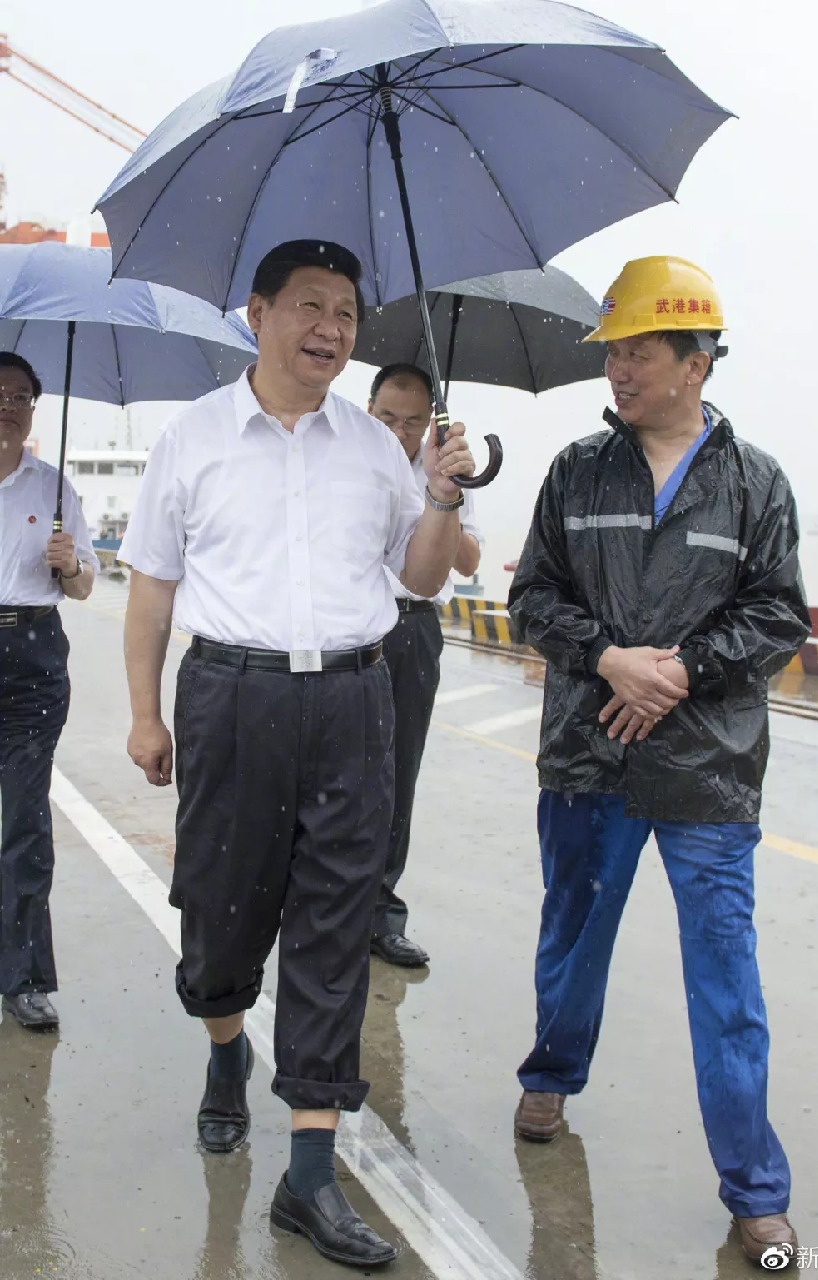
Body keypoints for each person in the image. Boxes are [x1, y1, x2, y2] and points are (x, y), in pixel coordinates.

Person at [120, 240, 475, 1269]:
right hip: (231, 697)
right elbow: (150, 590)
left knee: (335, 921)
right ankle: (225, 1051)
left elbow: (419, 579)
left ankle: (309, 1171)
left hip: (355, 698)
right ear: (258, 312)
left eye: (347, 313)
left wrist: (440, 495)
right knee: (219, 913)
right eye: (311, 306)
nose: (332, 328)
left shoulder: (372, 446)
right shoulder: (192, 438)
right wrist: (145, 715)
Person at [508, 258, 810, 1267]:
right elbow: (531, 598)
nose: (619, 370)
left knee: (725, 979)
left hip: (705, 771)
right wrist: (608, 660)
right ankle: (549, 1073)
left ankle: (754, 1187)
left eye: (638, 352)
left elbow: (777, 613)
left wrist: (677, 670)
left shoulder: (755, 482)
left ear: (695, 362)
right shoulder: (575, 472)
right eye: (613, 353)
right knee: (571, 938)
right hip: (586, 756)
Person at [367, 363, 484, 967]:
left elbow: (469, 562)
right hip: (353, 629)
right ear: (368, 409)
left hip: (413, 629)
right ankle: (320, 906)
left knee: (398, 772)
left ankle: (381, 915)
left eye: (412, 421)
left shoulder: (447, 466)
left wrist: (442, 493)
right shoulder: (348, 457)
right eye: (387, 417)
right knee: (335, 773)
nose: (399, 431)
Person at [0, 352, 98, 1029]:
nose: (7, 405)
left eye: (20, 396)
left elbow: (85, 585)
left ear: (34, 409)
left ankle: (25, 977)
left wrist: (68, 568)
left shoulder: (55, 490)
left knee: (25, 822)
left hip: (33, 659)